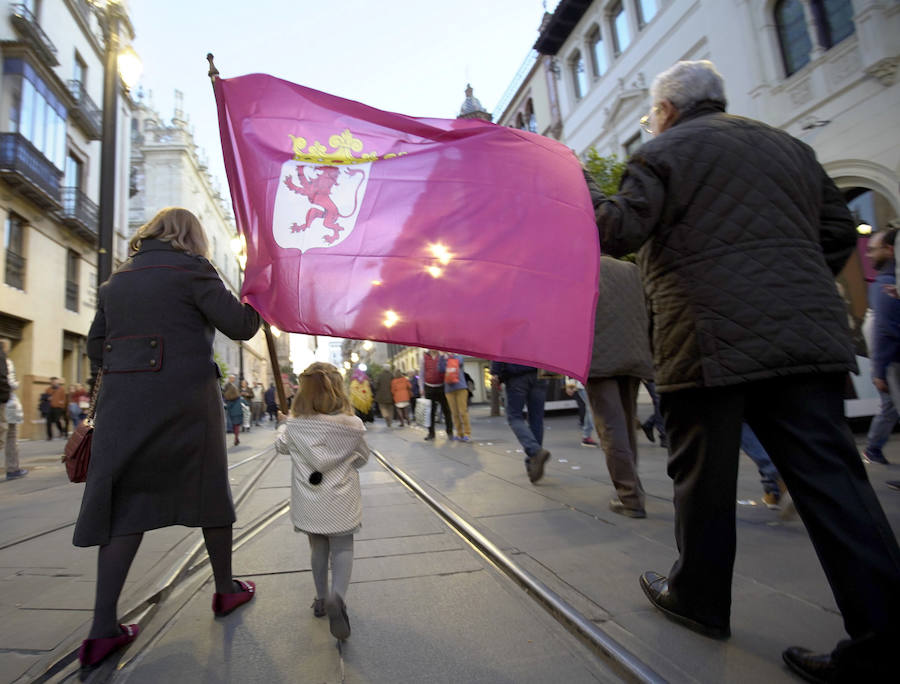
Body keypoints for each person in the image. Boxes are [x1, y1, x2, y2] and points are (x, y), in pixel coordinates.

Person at [585, 59, 900, 680]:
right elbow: (837, 231)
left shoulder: (662, 153)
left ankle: (700, 599)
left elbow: (616, 231)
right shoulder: (791, 148)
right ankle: (885, 635)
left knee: (701, 478)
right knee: (835, 483)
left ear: (666, 111)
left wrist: (582, 187)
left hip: (707, 339)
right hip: (802, 337)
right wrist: (791, 280)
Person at [72, 207, 260, 671]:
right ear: (191, 237)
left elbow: (97, 347)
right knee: (209, 488)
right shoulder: (194, 269)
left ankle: (101, 630)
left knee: (123, 507)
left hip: (122, 403)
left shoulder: (116, 282)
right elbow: (241, 326)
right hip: (186, 401)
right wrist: (259, 294)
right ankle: (225, 589)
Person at [275, 362, 369, 641]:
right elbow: (363, 458)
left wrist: (284, 425)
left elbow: (280, 447)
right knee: (343, 547)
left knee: (318, 547)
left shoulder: (295, 427)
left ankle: (320, 598)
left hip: (310, 500)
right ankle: (337, 596)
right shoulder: (353, 427)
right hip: (341, 499)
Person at [585, 256, 655, 518]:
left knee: (611, 428)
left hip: (599, 357)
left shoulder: (581, 266)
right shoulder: (632, 269)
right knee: (626, 423)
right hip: (633, 354)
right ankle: (633, 486)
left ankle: (630, 497)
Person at [865, 228, 900, 465]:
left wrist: (878, 369)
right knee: (889, 408)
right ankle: (873, 448)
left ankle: (873, 448)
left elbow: (886, 330)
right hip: (892, 361)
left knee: (889, 407)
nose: (868, 256)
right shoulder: (887, 284)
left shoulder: (885, 284)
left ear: (889, 250)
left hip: (893, 362)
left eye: (872, 250)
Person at [490, 362, 549, 483]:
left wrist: (495, 372)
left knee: (514, 416)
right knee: (536, 418)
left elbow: (500, 346)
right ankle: (533, 464)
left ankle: (535, 451)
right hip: (540, 372)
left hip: (516, 374)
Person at [1, 339, 26, 480]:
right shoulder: (6, 362)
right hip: (7, 403)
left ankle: (13, 468)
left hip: (6, 402)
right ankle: (12, 468)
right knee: (10, 436)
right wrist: (16, 384)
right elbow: (9, 383)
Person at [420, 350, 453, 440]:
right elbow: (422, 373)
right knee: (430, 412)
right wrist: (421, 388)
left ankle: (449, 431)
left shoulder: (443, 355)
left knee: (446, 410)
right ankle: (431, 433)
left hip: (442, 386)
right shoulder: (424, 357)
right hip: (429, 387)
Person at [443, 352, 471, 441]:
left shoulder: (458, 357)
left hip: (461, 387)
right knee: (454, 413)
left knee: (463, 412)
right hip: (449, 390)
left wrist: (449, 358)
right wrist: (442, 358)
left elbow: (459, 363)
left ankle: (467, 433)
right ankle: (459, 434)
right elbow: (440, 369)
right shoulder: (442, 358)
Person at [564, 378, 598, 448]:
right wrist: (570, 384)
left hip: (586, 383)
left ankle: (587, 436)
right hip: (583, 383)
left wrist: (570, 384)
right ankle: (590, 436)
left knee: (590, 408)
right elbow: (573, 367)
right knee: (591, 408)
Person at [639, 380, 667, 448]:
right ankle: (663, 435)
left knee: (663, 400)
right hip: (648, 373)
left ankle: (650, 423)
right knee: (659, 399)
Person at [223, 375, 242, 446]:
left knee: (235, 424)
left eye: (233, 378)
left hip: (233, 408)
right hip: (233, 408)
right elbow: (225, 395)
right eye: (231, 378)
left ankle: (236, 438)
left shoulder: (233, 386)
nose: (233, 379)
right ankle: (236, 438)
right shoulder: (228, 386)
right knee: (235, 424)